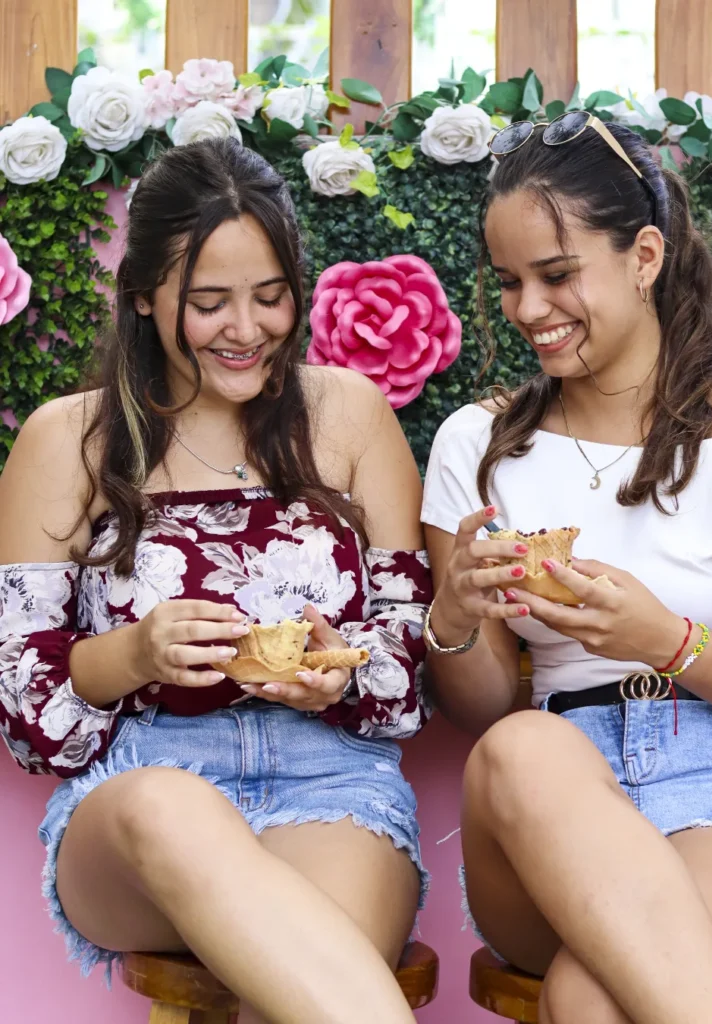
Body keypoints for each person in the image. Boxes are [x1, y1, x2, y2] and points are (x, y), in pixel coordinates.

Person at [0, 137, 431, 1024]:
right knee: (169, 806)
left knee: (313, 983)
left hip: (333, 784)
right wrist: (133, 654)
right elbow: (29, 717)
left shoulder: (348, 412)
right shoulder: (67, 438)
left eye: (271, 297)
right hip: (140, 787)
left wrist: (340, 675)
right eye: (209, 303)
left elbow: (405, 657)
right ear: (146, 299)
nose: (247, 329)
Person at [420, 113, 712, 1024]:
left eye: (557, 276)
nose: (527, 309)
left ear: (644, 256)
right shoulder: (476, 447)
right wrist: (451, 618)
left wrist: (668, 643)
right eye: (510, 282)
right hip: (546, 812)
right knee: (522, 742)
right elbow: (479, 711)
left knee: (590, 1001)